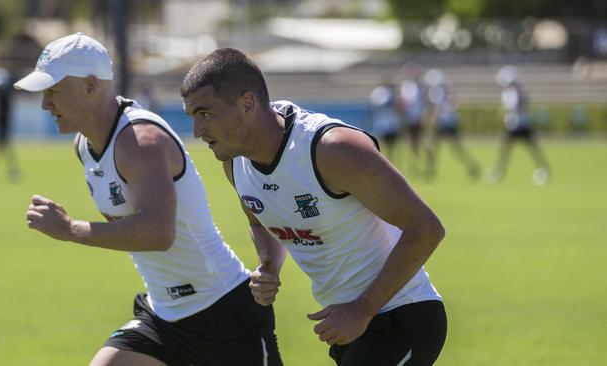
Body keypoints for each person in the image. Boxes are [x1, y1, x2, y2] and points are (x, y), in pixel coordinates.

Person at [15, 33, 282, 366]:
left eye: (54, 90)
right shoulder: (84, 145)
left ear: (90, 85)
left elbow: (157, 232)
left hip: (223, 314)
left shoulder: (142, 142)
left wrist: (70, 228)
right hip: (163, 316)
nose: (45, 103)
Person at [181, 48, 447, 366]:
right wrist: (268, 265)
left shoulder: (332, 149)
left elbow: (427, 228)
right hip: (347, 325)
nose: (197, 131)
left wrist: (362, 309)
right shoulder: (236, 163)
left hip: (403, 316)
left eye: (205, 114)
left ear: (247, 103)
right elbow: (257, 220)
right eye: (193, 117)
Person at [490, 65, 551, 185]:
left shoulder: (513, 90)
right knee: (528, 149)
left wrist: (504, 111)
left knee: (509, 149)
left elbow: (513, 106)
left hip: (517, 125)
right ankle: (544, 168)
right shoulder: (516, 90)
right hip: (520, 124)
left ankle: (500, 171)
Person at [422, 68, 480, 181]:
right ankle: (472, 167)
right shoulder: (444, 90)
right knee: (452, 149)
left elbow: (435, 108)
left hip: (443, 124)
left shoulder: (436, 91)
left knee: (433, 147)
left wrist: (430, 120)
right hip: (449, 123)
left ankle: (430, 172)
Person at [398, 62, 428, 176]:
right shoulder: (405, 85)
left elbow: (423, 102)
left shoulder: (420, 86)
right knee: (410, 143)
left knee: (419, 142)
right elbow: (403, 102)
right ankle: (413, 165)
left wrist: (423, 116)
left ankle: (420, 164)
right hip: (409, 118)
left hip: (417, 118)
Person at [364, 83, 402, 163]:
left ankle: (391, 161)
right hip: (383, 124)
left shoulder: (392, 96)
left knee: (392, 146)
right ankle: (385, 161)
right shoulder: (380, 94)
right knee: (383, 145)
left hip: (391, 123)